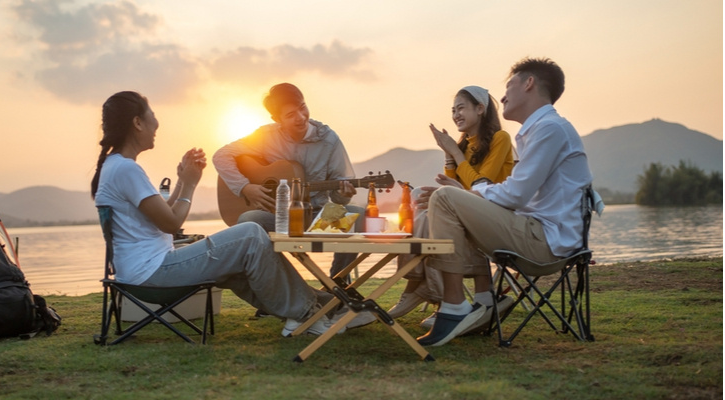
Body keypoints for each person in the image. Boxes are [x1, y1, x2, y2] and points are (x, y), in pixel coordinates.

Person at [90, 91, 363, 337]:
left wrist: (183, 180)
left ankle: (330, 305)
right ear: (137, 123)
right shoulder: (126, 169)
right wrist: (196, 184)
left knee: (245, 263)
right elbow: (172, 224)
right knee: (251, 232)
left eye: (303, 108)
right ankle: (308, 313)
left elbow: (160, 221)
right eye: (152, 115)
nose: (156, 123)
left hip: (146, 269)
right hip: (152, 273)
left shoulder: (118, 167)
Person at [416, 58, 593, 346]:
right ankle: (478, 301)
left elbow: (514, 195)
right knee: (447, 200)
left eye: (509, 85)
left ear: (529, 83)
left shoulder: (550, 129)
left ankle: (455, 306)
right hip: (537, 233)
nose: (502, 96)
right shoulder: (540, 131)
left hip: (545, 243)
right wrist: (468, 195)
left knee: (446, 197)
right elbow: (514, 195)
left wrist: (467, 195)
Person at [387, 86, 515, 332]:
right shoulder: (464, 146)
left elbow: (481, 186)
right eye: (453, 110)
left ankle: (427, 287)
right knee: (420, 198)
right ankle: (437, 290)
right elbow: (450, 185)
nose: (456, 114)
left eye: (461, 108)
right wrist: (450, 155)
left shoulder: (500, 139)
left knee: (432, 208)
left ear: (480, 109)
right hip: (465, 210)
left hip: (496, 212)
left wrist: (454, 153)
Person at [213, 83, 363, 280]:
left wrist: (343, 194)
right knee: (248, 221)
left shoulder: (329, 140)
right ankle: (280, 286)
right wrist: (245, 187)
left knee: (357, 215)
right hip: (279, 218)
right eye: (290, 114)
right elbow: (221, 156)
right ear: (277, 119)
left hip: (316, 217)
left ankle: (338, 284)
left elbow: (339, 195)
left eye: (302, 107)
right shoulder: (266, 136)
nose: (300, 117)